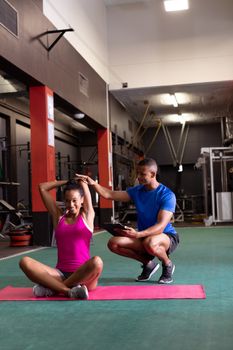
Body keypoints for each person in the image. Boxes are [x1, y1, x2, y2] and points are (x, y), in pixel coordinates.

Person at [77, 158, 179, 284]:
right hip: (144, 236)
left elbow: (160, 226)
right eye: (138, 173)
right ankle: (148, 264)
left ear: (152, 174)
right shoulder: (137, 191)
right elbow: (109, 194)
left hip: (166, 236)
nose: (138, 177)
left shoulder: (167, 195)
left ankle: (167, 264)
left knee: (150, 242)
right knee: (114, 243)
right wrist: (93, 183)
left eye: (142, 174)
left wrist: (138, 234)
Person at [19, 178, 103, 299]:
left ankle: (55, 289)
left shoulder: (87, 216)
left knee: (97, 262)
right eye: (68, 201)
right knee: (25, 262)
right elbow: (42, 187)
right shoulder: (58, 217)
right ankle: (68, 291)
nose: (71, 204)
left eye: (75, 200)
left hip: (84, 276)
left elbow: (87, 196)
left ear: (82, 200)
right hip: (60, 274)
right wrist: (66, 181)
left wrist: (82, 181)